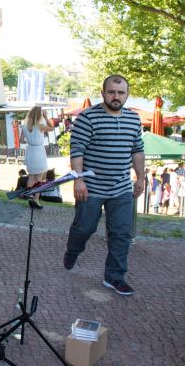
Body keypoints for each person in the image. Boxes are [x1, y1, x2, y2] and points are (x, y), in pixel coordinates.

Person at [63, 74, 145, 296]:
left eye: (121, 93)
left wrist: (141, 176)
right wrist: (78, 180)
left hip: (121, 188)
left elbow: (137, 150)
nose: (116, 97)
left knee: (121, 234)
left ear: (126, 95)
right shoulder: (87, 118)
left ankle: (114, 277)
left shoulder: (133, 119)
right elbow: (77, 150)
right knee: (84, 228)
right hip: (91, 188)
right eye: (112, 92)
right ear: (103, 93)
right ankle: (73, 250)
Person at [21, 106, 55, 203]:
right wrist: (46, 116)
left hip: (30, 151)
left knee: (31, 176)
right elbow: (52, 128)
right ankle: (36, 199)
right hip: (38, 152)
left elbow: (22, 140)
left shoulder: (25, 126)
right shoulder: (40, 126)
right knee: (39, 178)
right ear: (39, 115)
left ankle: (30, 197)